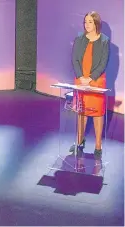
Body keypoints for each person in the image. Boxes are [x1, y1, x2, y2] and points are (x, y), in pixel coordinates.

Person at [71, 11, 109, 159]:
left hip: (96, 81)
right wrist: (81, 76)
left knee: (97, 113)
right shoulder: (79, 38)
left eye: (90, 22)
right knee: (82, 112)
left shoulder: (104, 40)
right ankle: (80, 140)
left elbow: (103, 63)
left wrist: (91, 78)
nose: (87, 24)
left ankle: (98, 145)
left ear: (96, 23)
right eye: (85, 21)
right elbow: (74, 59)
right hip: (80, 80)